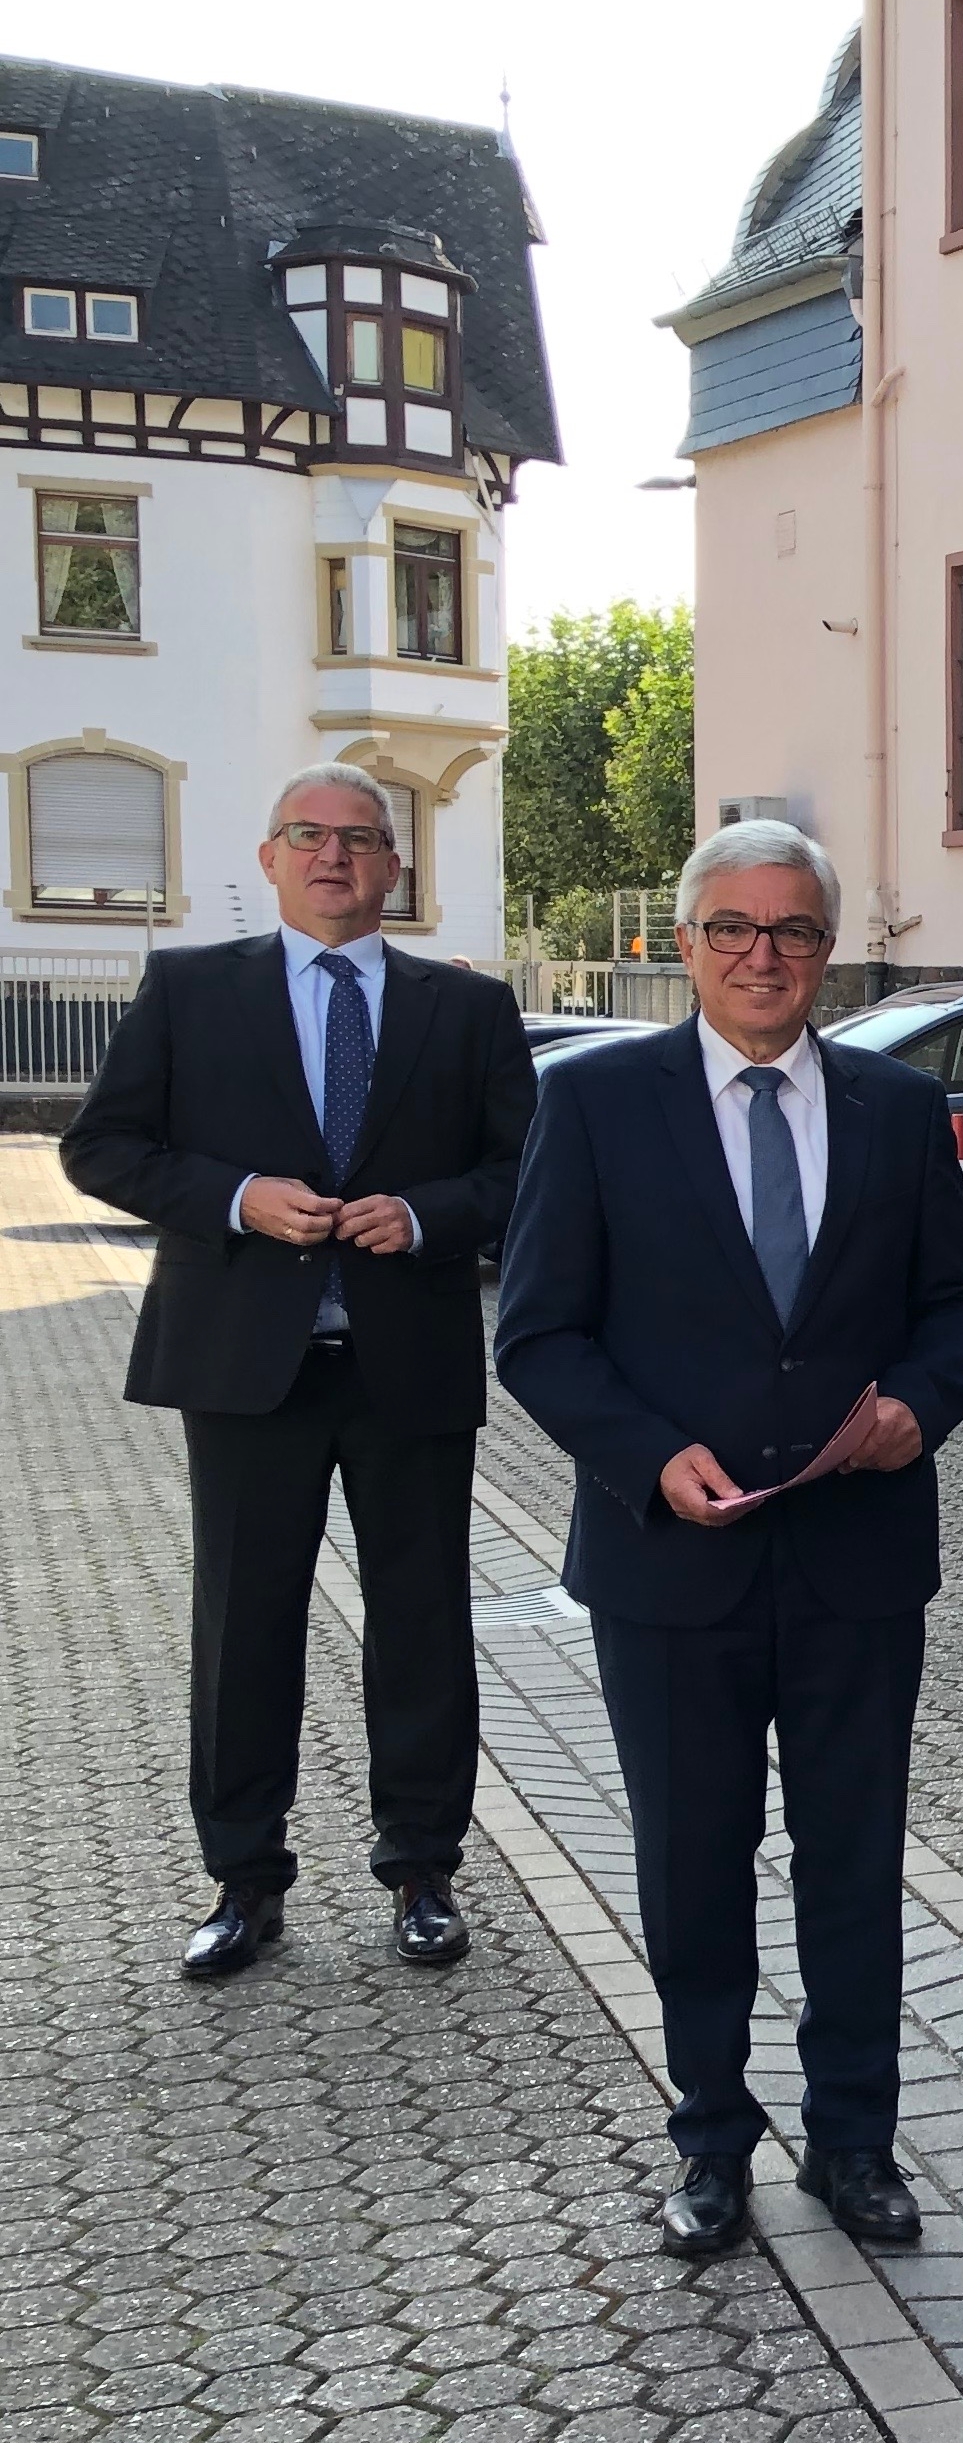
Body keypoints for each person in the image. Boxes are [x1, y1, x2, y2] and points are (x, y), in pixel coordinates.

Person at [494, 821, 963, 2261]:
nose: (760, 955)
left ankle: (854, 2140)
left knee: (850, 1862)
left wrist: (916, 1405)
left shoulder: (901, 1112)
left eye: (789, 931)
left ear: (826, 952)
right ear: (684, 944)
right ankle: (710, 2140)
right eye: (731, 928)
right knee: (692, 1864)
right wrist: (649, 1459)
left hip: (855, 1561)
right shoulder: (595, 1106)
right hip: (672, 1569)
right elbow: (537, 1334)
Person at [64, 763, 535, 1979]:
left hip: (406, 1362)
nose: (334, 857)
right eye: (307, 836)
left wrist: (425, 1218)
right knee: (244, 1626)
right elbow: (103, 1146)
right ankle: (242, 1880)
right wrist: (233, 1198)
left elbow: (522, 1172)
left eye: (361, 840)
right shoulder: (187, 992)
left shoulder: (467, 1011)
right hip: (243, 1366)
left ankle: (423, 1869)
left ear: (395, 869)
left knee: (422, 1620)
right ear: (270, 858)